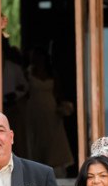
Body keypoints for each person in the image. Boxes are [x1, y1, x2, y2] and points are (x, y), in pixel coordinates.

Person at [23, 45, 73, 177]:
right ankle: (37, 170)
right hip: (34, 109)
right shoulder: (28, 72)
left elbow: (58, 92)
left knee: (52, 139)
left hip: (50, 109)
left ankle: (55, 169)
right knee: (36, 139)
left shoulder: (51, 73)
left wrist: (61, 106)